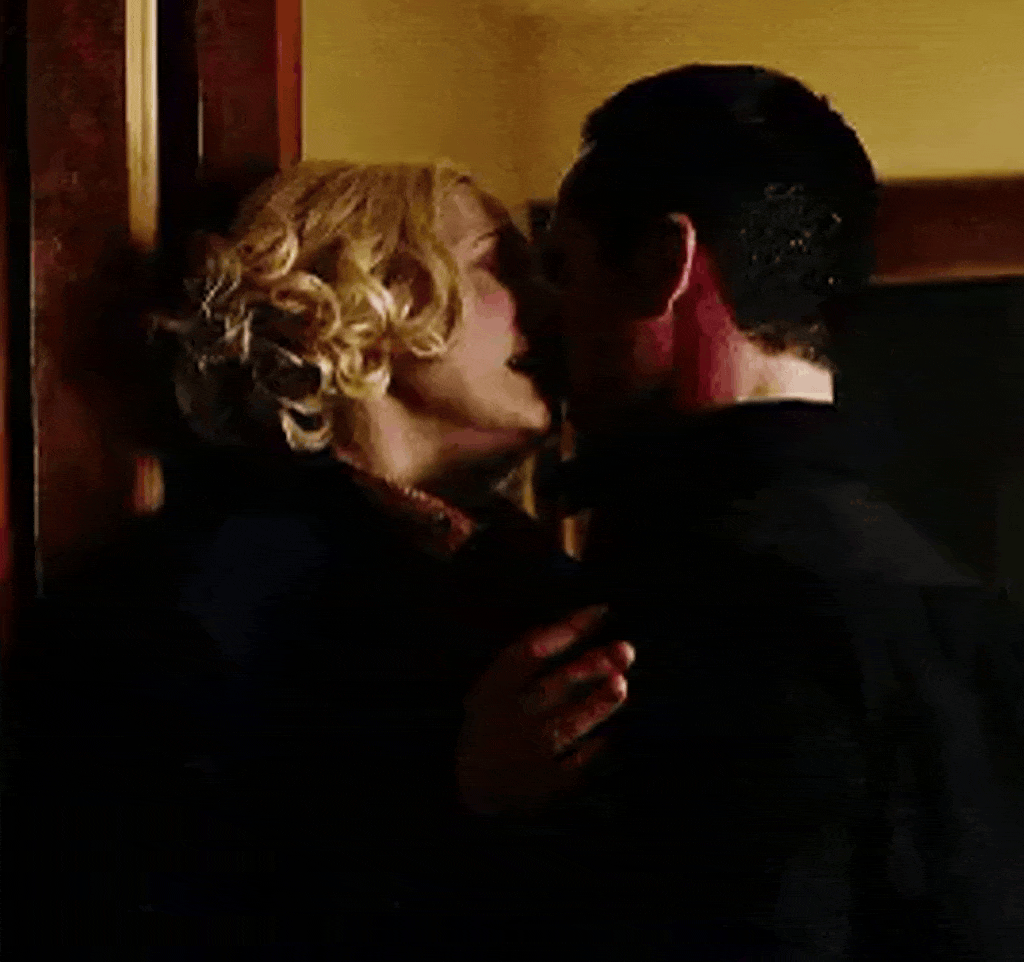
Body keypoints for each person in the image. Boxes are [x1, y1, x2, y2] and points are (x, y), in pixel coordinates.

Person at [3, 161, 634, 958]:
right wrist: (454, 799)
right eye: (499, 265)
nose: (550, 306)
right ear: (356, 292)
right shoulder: (192, 596)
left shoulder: (530, 565)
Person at [528, 64, 1024, 960]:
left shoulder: (691, 602)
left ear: (664, 262)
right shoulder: (961, 603)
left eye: (564, 268)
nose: (540, 317)